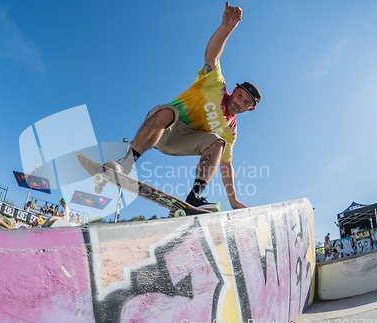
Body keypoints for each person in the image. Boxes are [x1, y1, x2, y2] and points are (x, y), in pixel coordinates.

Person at [104, 2, 261, 212]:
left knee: (218, 142)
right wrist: (226, 28)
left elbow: (225, 165)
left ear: (250, 108)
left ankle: (194, 197)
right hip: (163, 126)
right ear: (234, 90)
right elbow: (211, 56)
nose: (238, 102)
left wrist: (233, 201)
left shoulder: (231, 130)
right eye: (239, 96)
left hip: (180, 142)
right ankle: (126, 164)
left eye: (245, 103)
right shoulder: (215, 84)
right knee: (168, 112)